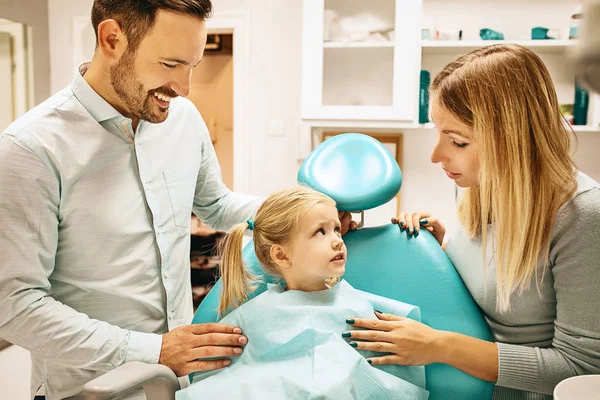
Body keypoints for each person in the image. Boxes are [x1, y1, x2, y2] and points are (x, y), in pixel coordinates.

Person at [0, 1, 357, 399]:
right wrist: (155, 350)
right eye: (170, 65)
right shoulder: (30, 150)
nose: (184, 88)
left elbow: (216, 205)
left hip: (180, 383)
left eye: (193, 66)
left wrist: (308, 217)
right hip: (88, 388)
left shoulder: (182, 119)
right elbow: (15, 306)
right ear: (112, 39)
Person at [345, 44, 600, 399]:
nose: (436, 155)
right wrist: (442, 248)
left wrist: (440, 346)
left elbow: (581, 372)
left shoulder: (584, 217)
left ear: (510, 140)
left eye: (458, 141)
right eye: (438, 132)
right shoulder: (478, 188)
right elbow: (503, 279)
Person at [177, 186, 428, 400]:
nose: (338, 241)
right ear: (281, 255)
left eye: (337, 230)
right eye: (321, 231)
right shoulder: (254, 317)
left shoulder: (360, 309)